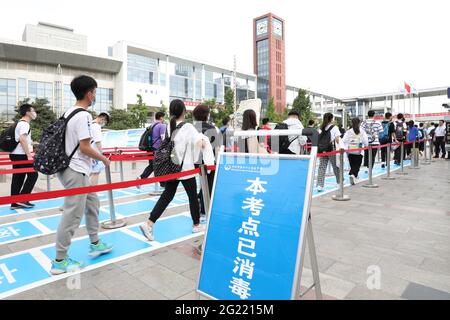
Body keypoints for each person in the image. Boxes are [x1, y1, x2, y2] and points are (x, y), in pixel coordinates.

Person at [51, 75, 113, 275]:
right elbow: (86, 147)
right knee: (72, 215)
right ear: (89, 93)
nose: (95, 95)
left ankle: (95, 242)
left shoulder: (69, 112)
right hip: (76, 169)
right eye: (94, 92)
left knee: (92, 203)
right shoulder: (83, 116)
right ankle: (59, 261)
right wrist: (103, 159)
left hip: (74, 168)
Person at [139, 99, 214, 241]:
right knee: (192, 196)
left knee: (167, 195)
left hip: (172, 168)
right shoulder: (188, 127)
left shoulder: (168, 126)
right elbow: (198, 143)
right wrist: (204, 143)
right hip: (185, 169)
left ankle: (149, 223)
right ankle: (196, 224)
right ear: (184, 111)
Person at [9, 103, 38, 210]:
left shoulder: (19, 123)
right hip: (22, 155)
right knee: (33, 175)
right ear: (27, 112)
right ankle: (23, 199)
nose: (34, 113)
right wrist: (29, 155)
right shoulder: (25, 124)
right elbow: (22, 139)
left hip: (15, 154)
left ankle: (14, 203)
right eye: (33, 110)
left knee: (18, 178)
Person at [192, 104, 219, 219]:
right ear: (207, 115)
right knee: (209, 184)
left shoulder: (192, 128)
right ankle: (204, 209)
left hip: (196, 161)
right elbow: (216, 147)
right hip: (209, 161)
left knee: (203, 182)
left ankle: (199, 198)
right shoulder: (211, 128)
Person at [136, 112, 167, 188]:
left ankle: (142, 178)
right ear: (161, 118)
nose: (164, 119)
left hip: (150, 148)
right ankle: (162, 184)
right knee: (160, 166)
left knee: (152, 166)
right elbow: (163, 138)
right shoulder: (162, 126)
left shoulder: (151, 125)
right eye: (164, 117)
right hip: (157, 149)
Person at [316, 113, 341, 192]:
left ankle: (320, 185)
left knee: (322, 167)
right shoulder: (334, 127)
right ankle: (339, 182)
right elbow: (337, 139)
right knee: (335, 166)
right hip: (331, 149)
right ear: (332, 119)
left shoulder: (321, 128)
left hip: (322, 149)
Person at [342, 118, 369, 185]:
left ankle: (354, 176)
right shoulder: (362, 132)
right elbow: (365, 142)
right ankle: (353, 175)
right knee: (357, 165)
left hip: (350, 151)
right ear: (359, 123)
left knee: (352, 165)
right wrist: (366, 146)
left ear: (352, 123)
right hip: (359, 151)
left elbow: (343, 140)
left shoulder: (348, 131)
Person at [90, 112, 110, 186]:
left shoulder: (91, 124)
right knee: (96, 172)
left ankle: (84, 191)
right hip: (95, 153)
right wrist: (102, 154)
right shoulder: (96, 126)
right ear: (103, 118)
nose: (104, 123)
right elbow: (98, 141)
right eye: (105, 121)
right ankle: (92, 191)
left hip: (89, 151)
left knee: (90, 172)